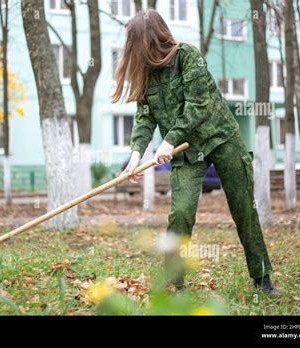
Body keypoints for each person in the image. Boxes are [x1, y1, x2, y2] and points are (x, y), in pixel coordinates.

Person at [113, 9, 279, 296]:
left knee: (244, 210)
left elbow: (198, 106)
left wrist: (168, 141)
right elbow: (144, 118)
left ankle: (262, 278)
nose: (131, 50)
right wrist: (137, 155)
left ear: (149, 39)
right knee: (180, 213)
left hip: (220, 139)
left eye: (134, 42)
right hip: (186, 154)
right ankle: (174, 284)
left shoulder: (187, 56)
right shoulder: (147, 75)